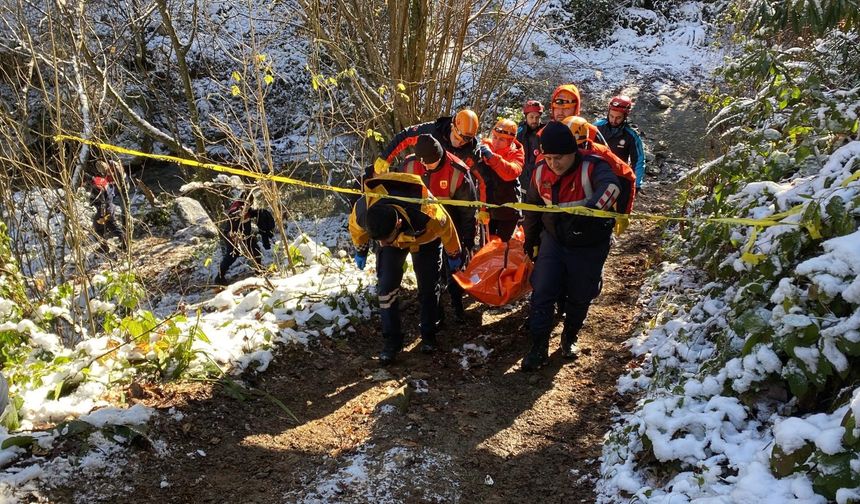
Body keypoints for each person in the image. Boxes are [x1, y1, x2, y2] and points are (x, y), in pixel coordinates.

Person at [521, 121, 620, 371]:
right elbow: (531, 209)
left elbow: (611, 187)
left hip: (589, 244)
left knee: (580, 294)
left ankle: (570, 336)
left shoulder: (593, 166)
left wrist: (589, 213)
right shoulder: (540, 172)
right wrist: (530, 241)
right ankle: (538, 347)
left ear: (572, 152)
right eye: (549, 158)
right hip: (554, 240)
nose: (554, 164)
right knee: (542, 291)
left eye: (559, 158)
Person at [349, 172, 463, 364]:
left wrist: (454, 255)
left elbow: (447, 229)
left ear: (398, 224)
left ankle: (429, 334)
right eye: (379, 241)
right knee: (386, 288)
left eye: (385, 240)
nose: (382, 244)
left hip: (425, 239)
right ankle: (391, 341)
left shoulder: (428, 211)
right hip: (394, 240)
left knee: (428, 286)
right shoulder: (364, 210)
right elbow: (356, 230)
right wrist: (361, 250)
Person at [394, 134, 477, 321]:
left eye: (430, 163)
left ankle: (457, 304)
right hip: (423, 226)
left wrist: (468, 239)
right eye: (423, 163)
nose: (426, 167)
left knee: (455, 269)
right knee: (429, 275)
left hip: (452, 223)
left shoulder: (457, 171)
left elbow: (468, 210)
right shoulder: (409, 165)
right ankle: (436, 315)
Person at [372, 109, 482, 175]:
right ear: (452, 126)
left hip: (449, 192)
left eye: (463, 142)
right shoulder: (434, 131)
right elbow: (405, 136)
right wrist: (386, 157)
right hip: (423, 178)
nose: (458, 144)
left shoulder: (472, 153)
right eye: (457, 139)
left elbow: (483, 182)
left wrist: (481, 207)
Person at [474, 118, 524, 241]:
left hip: (508, 211)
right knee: (486, 244)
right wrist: (483, 209)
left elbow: (511, 173)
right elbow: (483, 183)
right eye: (495, 137)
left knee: (503, 246)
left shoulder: (516, 154)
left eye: (501, 139)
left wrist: (492, 158)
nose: (496, 142)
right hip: (489, 208)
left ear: (510, 141)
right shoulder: (485, 149)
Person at [217, 192, 275, 284]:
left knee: (255, 250)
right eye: (249, 202)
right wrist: (239, 213)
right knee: (232, 255)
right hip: (232, 235)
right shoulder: (237, 207)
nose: (250, 205)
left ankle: (259, 270)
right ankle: (219, 278)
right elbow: (233, 214)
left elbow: (250, 213)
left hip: (245, 235)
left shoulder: (247, 208)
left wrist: (259, 212)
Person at [594, 95, 646, 191]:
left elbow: (638, 160)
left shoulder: (631, 136)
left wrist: (637, 185)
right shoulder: (596, 127)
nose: (613, 120)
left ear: (625, 116)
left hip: (618, 176)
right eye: (611, 116)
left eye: (618, 118)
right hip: (595, 173)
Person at [90, 160, 129, 250]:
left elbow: (104, 202)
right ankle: (122, 242)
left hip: (107, 208)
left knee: (103, 226)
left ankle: (107, 246)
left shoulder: (100, 185)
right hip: (110, 206)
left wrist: (102, 215)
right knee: (109, 226)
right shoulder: (105, 182)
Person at [516, 100, 545, 187]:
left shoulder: (545, 132)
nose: (534, 120)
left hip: (539, 178)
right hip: (521, 177)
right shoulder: (518, 133)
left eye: (537, 117)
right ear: (526, 117)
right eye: (531, 117)